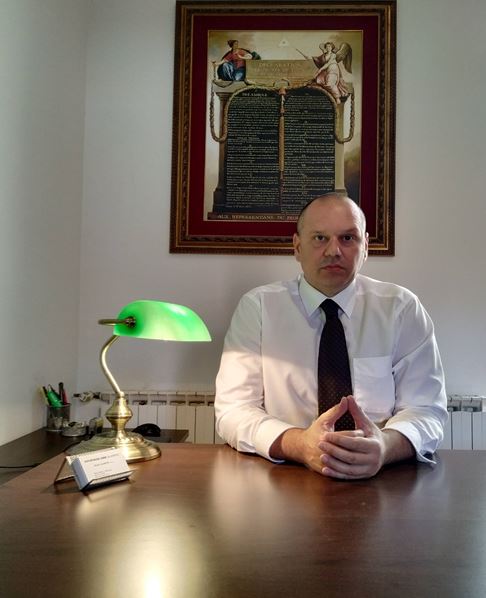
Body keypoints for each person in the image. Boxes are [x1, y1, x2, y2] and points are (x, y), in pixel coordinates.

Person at [215, 193, 448, 480]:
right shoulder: (258, 308)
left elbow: (426, 409)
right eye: (319, 238)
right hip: (286, 476)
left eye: (347, 238)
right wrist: (299, 444)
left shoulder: (401, 308)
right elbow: (234, 410)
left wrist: (386, 446)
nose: (333, 251)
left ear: (365, 247)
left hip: (383, 478)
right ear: (297, 247)